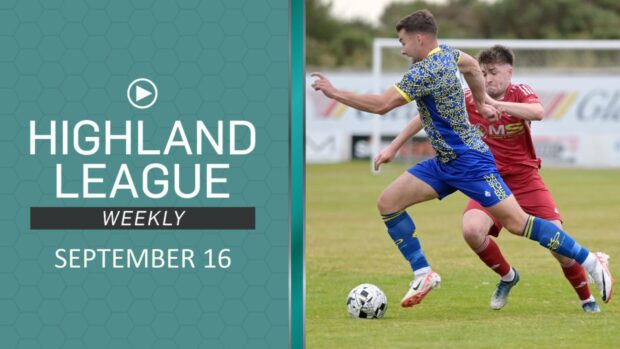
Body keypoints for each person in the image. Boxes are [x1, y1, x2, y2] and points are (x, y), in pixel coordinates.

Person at [311, 9, 614, 308]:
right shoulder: (447, 53)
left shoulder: (423, 72)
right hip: (444, 162)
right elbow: (470, 65)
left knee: (518, 224)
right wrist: (481, 103)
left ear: (419, 39)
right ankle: (423, 273)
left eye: (403, 42)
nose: (402, 50)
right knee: (388, 203)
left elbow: (380, 105)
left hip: (470, 162)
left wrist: (335, 93)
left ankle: (590, 259)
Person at [376, 45, 604, 312]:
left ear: (510, 71)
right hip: (487, 177)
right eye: (482, 73)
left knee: (558, 246)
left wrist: (494, 104)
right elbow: (424, 118)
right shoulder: (468, 97)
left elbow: (538, 112)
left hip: (525, 178)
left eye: (493, 72)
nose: (487, 79)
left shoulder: (521, 92)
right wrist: (394, 146)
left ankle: (587, 299)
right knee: (472, 230)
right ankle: (508, 276)